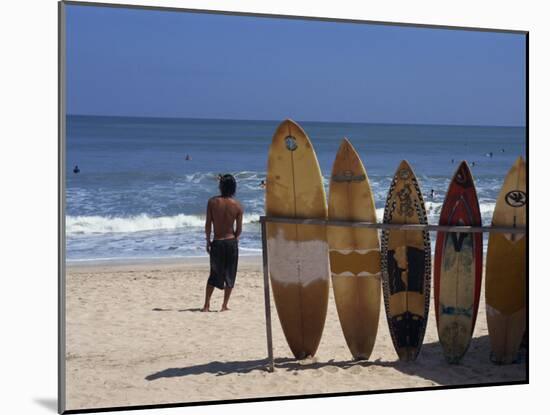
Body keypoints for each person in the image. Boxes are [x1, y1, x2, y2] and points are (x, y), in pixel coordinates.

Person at [201, 174, 244, 312]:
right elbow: (239, 229)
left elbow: (208, 224)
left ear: (221, 186)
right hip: (231, 242)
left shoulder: (212, 202)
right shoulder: (237, 205)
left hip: (218, 242)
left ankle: (207, 305)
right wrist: (235, 239)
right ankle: (224, 305)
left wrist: (208, 240)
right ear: (233, 188)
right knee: (230, 274)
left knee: (214, 274)